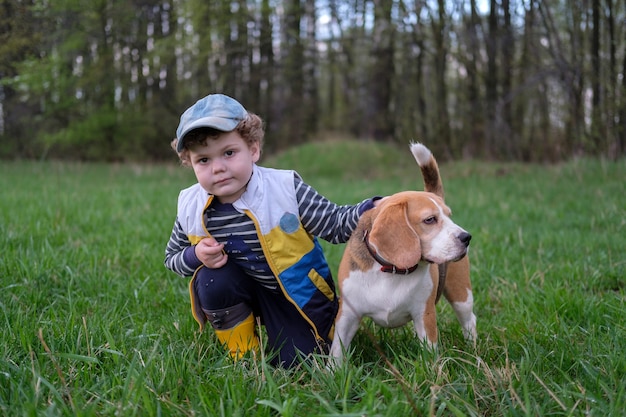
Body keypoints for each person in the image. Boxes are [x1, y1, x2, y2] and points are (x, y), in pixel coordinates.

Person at [164, 93, 380, 367]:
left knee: (300, 364)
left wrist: (373, 210)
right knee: (211, 278)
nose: (218, 168)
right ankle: (243, 355)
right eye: (203, 160)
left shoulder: (284, 189)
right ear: (189, 163)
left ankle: (313, 330)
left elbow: (335, 225)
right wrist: (195, 255)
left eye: (229, 153)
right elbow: (172, 258)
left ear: (253, 149)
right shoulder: (190, 204)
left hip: (295, 296)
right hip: (241, 290)